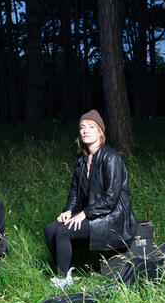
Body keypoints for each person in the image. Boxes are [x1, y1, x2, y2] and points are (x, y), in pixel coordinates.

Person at [43, 109, 138, 277]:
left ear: (100, 132)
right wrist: (68, 211)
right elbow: (74, 191)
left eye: (91, 127)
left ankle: (62, 278)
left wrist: (84, 214)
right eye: (82, 127)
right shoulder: (82, 159)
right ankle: (68, 268)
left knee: (63, 232)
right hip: (94, 212)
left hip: (113, 215)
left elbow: (111, 198)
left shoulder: (111, 158)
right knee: (51, 229)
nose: (85, 130)